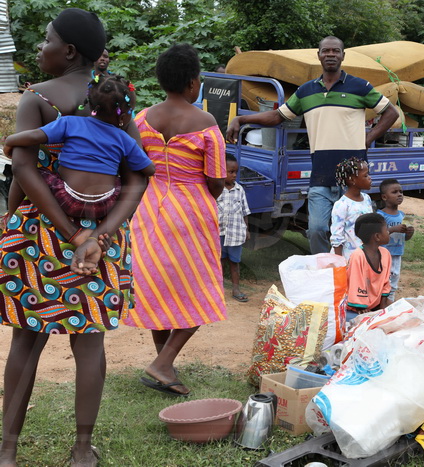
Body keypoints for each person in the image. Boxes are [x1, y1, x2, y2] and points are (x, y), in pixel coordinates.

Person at [0, 8, 150, 467]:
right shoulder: (114, 101)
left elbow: (23, 168)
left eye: (45, 40)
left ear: (67, 51)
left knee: (27, 340)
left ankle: (7, 450)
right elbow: (136, 177)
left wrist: (66, 231)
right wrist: (100, 236)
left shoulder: (38, 98)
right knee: (89, 344)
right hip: (99, 243)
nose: (39, 48)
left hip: (39, 236)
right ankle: (82, 450)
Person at [226, 36, 398, 254]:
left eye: (336, 51)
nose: (331, 55)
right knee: (316, 229)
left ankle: (354, 272)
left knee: (354, 232)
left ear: (343, 56)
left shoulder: (359, 86)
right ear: (319, 56)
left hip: (354, 177)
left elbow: (390, 112)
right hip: (321, 175)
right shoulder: (306, 91)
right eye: (326, 51)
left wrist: (368, 138)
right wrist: (242, 119)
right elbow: (278, 116)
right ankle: (325, 270)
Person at [122, 43, 227, 397]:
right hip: (191, 211)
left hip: (148, 209)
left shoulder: (142, 119)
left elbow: (132, 166)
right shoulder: (206, 123)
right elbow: (216, 180)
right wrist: (202, 198)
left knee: (156, 289)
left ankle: (163, 363)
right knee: (201, 289)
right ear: (194, 83)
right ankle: (163, 364)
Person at [3, 75, 155, 220]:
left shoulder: (69, 123)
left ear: (89, 104)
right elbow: (149, 170)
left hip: (66, 198)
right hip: (105, 205)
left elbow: (34, 136)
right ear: (123, 118)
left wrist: (10, 141)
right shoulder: (125, 140)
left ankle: (10, 216)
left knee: (27, 169)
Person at [217, 154, 250, 302]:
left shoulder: (239, 190)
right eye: (231, 172)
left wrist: (246, 230)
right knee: (219, 261)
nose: (234, 175)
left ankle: (236, 288)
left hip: (236, 233)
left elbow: (245, 212)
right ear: (221, 171)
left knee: (234, 262)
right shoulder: (216, 189)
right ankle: (218, 290)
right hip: (219, 232)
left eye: (236, 172)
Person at [346, 212, 392, 314]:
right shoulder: (358, 256)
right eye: (386, 229)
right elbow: (356, 282)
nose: (388, 232)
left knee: (405, 307)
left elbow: (386, 282)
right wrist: (361, 306)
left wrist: (383, 303)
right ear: (377, 236)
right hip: (356, 306)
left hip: (376, 303)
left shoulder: (386, 254)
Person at [377, 179, 414, 301]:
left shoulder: (402, 215)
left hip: (397, 255)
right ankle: (379, 303)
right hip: (383, 256)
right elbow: (378, 237)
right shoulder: (381, 216)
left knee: (394, 281)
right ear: (384, 197)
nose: (399, 194)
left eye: (401, 192)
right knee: (382, 280)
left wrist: (409, 233)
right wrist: (393, 229)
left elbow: (405, 238)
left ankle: (390, 302)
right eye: (394, 192)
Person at [330, 157, 373, 260]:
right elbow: (337, 237)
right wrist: (339, 263)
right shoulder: (342, 205)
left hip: (366, 256)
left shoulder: (367, 198)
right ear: (352, 180)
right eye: (365, 175)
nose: (370, 178)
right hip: (349, 258)